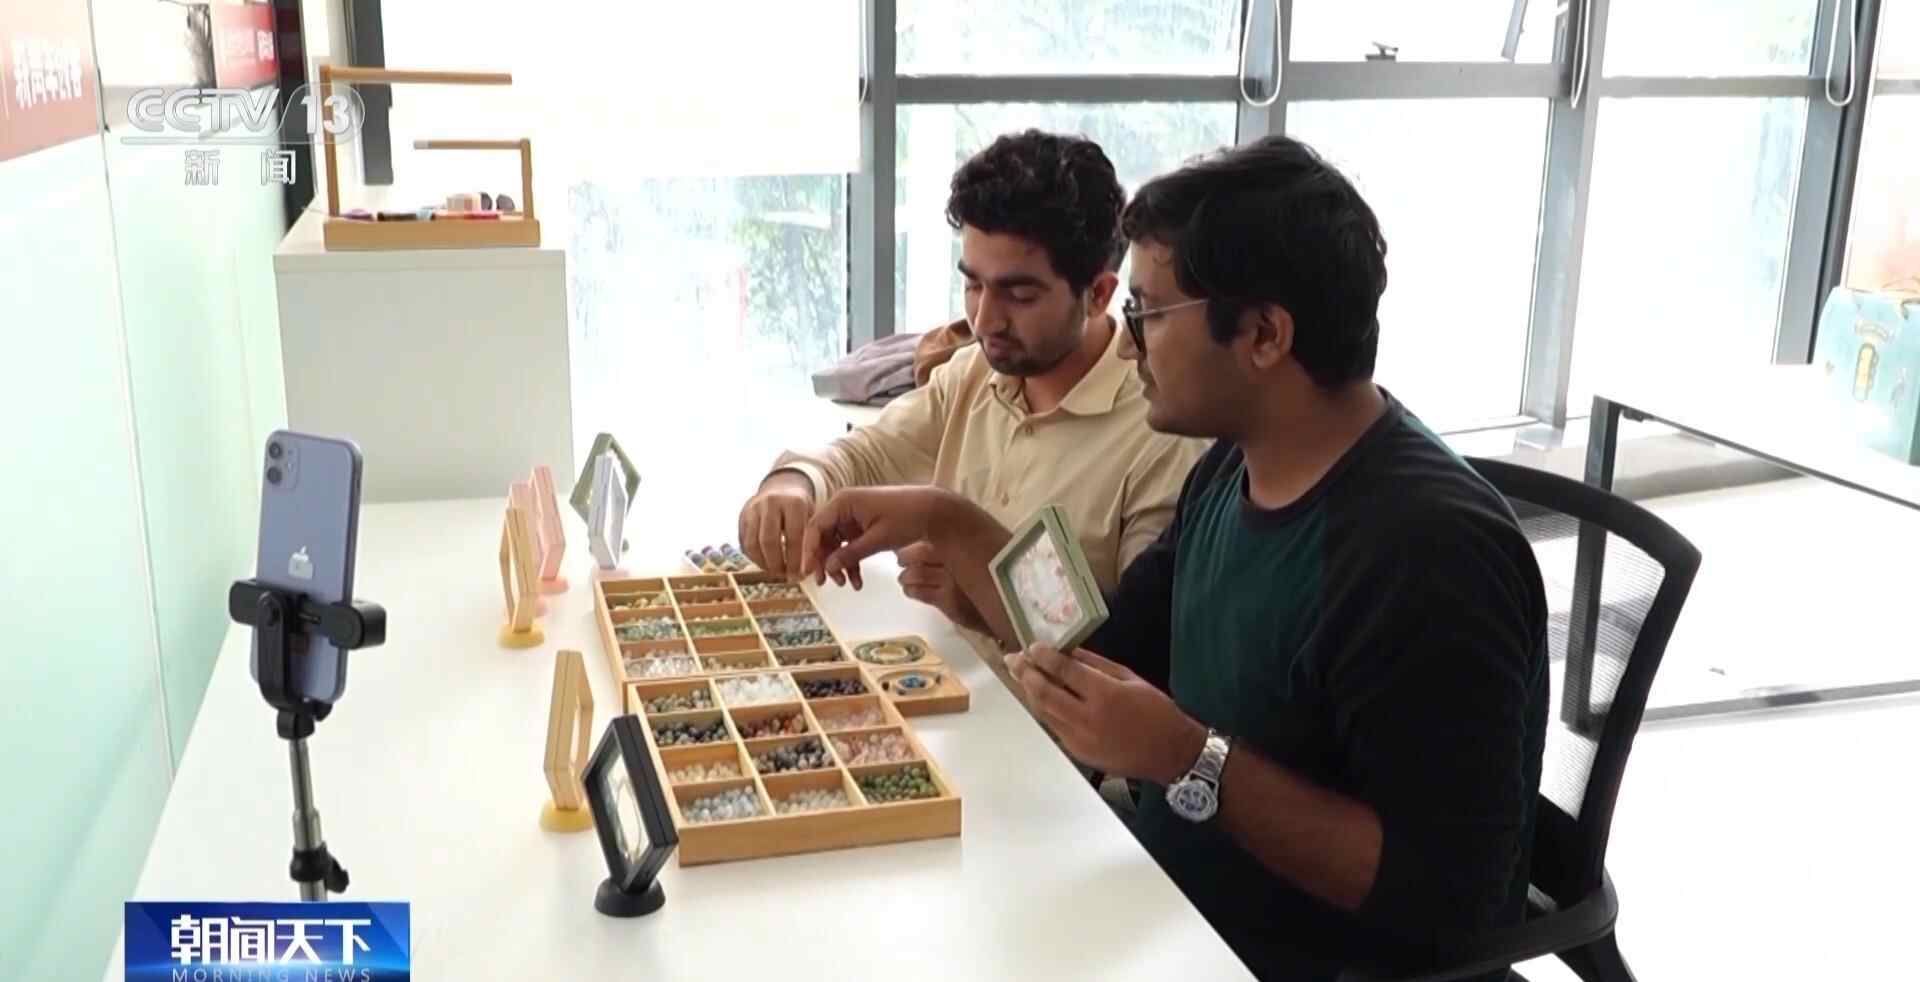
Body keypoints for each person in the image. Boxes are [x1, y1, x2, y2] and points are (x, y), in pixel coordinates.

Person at [794, 136, 1550, 981]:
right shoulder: (1233, 466)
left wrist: (1190, 758)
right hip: (1159, 895)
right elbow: (1106, 647)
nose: (1126, 345)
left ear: (1264, 334)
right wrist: (952, 523)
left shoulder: (1430, 553)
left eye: (1147, 314)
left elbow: (1450, 899)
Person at [738, 129, 1205, 674]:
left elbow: (1128, 662)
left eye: (1019, 294)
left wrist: (980, 593)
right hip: (947, 695)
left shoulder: (1162, 434)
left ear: (1099, 294)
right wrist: (794, 483)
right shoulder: (974, 373)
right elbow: (865, 456)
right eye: (974, 285)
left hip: (1042, 728)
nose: (984, 321)